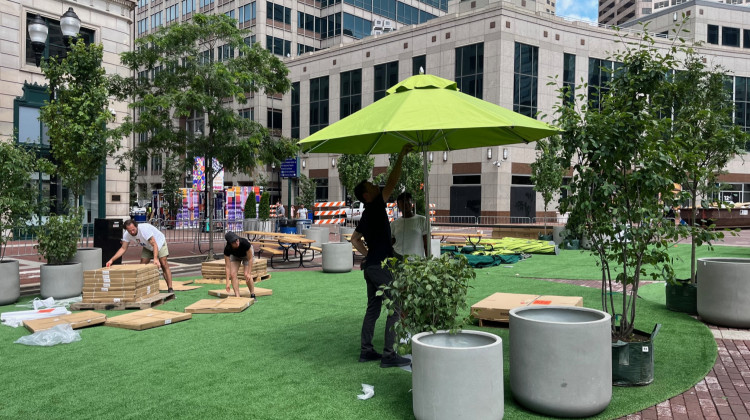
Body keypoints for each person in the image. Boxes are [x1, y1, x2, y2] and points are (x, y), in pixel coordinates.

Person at [351, 144, 412, 368]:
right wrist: (401, 156)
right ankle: (388, 354)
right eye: (371, 185)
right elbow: (393, 181)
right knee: (396, 306)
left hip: (371, 267)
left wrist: (371, 254)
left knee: (373, 308)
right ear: (367, 195)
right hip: (378, 268)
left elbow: (354, 239)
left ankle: (367, 351)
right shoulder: (375, 206)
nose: (376, 185)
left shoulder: (367, 214)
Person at [106, 219, 174, 293]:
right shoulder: (127, 234)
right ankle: (143, 288)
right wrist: (112, 260)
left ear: (136, 226)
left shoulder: (144, 230)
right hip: (147, 246)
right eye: (129, 231)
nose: (132, 232)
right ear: (126, 230)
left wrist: (155, 259)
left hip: (159, 243)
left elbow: (155, 245)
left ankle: (170, 288)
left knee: (163, 263)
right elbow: (123, 248)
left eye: (133, 230)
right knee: (142, 265)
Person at [391, 192, 428, 259]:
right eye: (402, 202)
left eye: (408, 201)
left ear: (412, 204)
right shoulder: (393, 224)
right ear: (398, 205)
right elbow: (391, 243)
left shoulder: (422, 220)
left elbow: (426, 244)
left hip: (417, 261)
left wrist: (429, 261)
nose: (406, 204)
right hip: (398, 258)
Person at [224, 232, 257, 300]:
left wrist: (249, 273)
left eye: (237, 240)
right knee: (233, 274)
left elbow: (250, 259)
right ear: (230, 243)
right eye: (234, 242)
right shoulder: (227, 249)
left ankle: (252, 294)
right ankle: (237, 296)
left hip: (246, 256)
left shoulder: (244, 243)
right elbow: (227, 267)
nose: (237, 242)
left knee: (246, 274)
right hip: (235, 256)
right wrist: (227, 282)